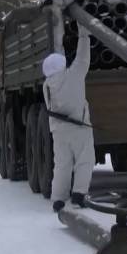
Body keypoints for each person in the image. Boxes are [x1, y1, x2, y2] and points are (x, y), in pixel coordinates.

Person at [42, 23, 95, 213]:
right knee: (85, 160)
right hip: (79, 127)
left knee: (62, 164)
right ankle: (79, 194)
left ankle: (58, 198)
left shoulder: (47, 86)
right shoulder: (74, 75)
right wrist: (84, 35)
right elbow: (83, 58)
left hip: (58, 130)